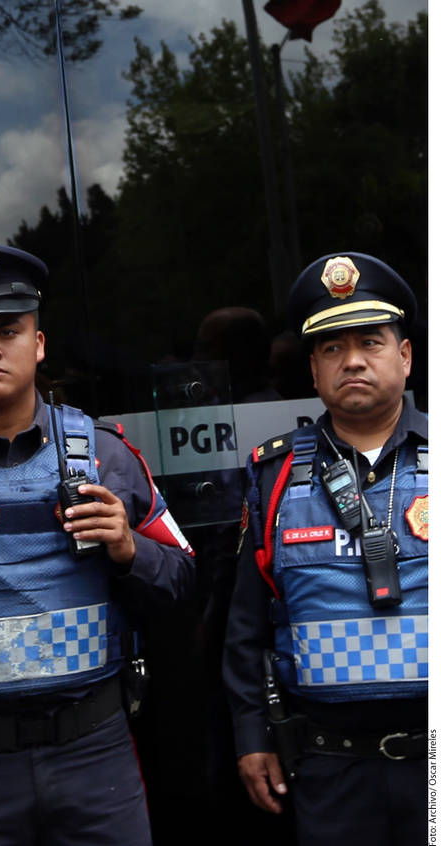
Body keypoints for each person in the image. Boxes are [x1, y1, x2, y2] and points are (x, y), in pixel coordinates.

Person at [0, 244, 196, 846]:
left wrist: (127, 548)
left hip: (94, 753)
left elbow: (185, 583)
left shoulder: (107, 455)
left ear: (38, 344)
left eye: (8, 331)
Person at [223, 252, 426, 845]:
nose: (353, 360)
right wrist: (251, 735)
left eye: (370, 342)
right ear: (314, 370)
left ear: (405, 356)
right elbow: (245, 624)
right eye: (333, 348)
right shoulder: (274, 476)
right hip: (328, 767)